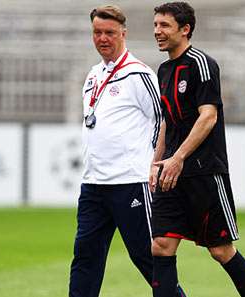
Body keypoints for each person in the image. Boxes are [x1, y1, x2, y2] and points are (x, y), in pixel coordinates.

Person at [68, 5, 186, 297]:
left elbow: (165, 119)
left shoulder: (138, 74)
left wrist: (156, 164)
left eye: (109, 32)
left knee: (148, 256)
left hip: (130, 182)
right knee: (85, 258)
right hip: (94, 184)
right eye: (97, 32)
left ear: (123, 34)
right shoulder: (93, 75)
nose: (102, 38)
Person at [150, 2, 245, 297]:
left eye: (164, 26)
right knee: (161, 245)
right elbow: (166, 122)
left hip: (203, 171)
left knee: (221, 250)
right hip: (170, 172)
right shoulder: (163, 70)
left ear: (185, 30)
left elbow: (208, 116)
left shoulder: (201, 64)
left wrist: (179, 158)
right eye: (156, 24)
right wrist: (156, 162)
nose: (157, 31)